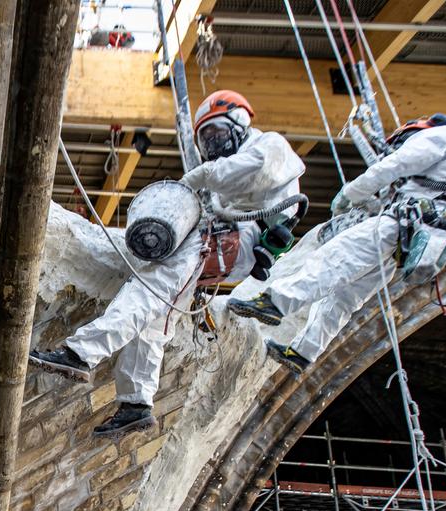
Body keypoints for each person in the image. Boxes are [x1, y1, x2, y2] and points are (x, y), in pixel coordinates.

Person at [29, 90, 305, 437]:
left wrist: (199, 177)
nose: (214, 145)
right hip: (226, 241)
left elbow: (248, 171)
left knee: (149, 288)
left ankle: (80, 353)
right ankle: (136, 403)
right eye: (207, 140)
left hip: (233, 238)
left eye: (217, 134)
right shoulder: (228, 179)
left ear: (240, 122)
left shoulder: (268, 146)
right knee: (157, 315)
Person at [228, 115, 446, 373]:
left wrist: (350, 193)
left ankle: (275, 304)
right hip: (410, 240)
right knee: (347, 296)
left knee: (335, 257)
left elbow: (394, 166)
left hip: (400, 224)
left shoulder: (440, 136)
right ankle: (302, 352)